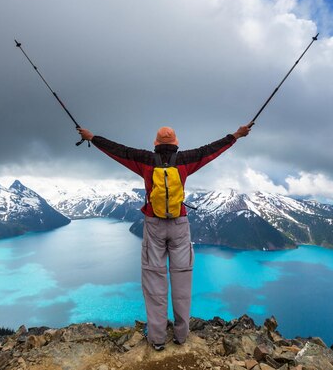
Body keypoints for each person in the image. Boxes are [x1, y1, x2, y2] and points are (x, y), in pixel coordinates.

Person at [77, 124, 251, 350]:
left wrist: (93, 137)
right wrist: (236, 135)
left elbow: (118, 150)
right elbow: (212, 150)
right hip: (179, 224)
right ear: (176, 143)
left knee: (154, 280)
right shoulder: (186, 160)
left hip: (154, 224)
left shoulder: (144, 160)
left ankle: (158, 338)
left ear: (156, 144)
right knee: (182, 280)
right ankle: (181, 335)